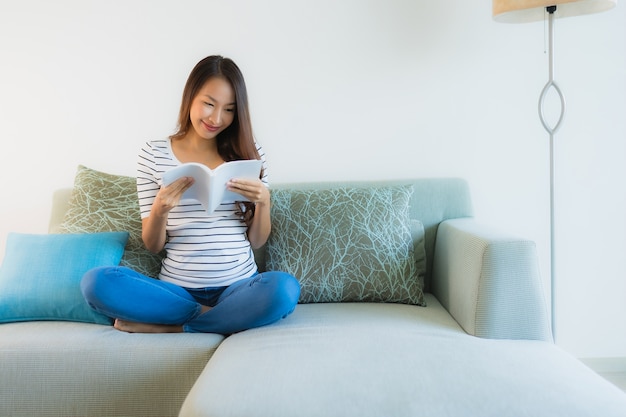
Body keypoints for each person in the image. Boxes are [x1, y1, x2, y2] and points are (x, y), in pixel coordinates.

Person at [81, 55, 301, 335]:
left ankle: (175, 327)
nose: (216, 118)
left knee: (284, 289)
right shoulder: (154, 153)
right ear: (190, 96)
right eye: (209, 104)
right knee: (97, 282)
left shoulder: (249, 153)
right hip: (176, 291)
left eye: (230, 109)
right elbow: (153, 245)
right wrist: (160, 208)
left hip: (239, 287)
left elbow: (257, 239)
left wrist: (263, 201)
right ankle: (218, 320)